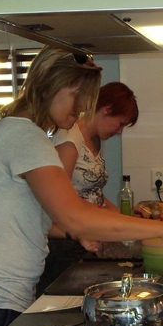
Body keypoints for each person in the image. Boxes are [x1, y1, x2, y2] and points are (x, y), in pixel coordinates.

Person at [0, 47, 163, 326]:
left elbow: (52, 212)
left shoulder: (22, 133)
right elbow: (74, 215)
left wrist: (78, 233)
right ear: (50, 85)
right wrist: (162, 229)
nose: (82, 107)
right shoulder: (25, 137)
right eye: (77, 96)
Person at [36, 81, 140, 295]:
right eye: (120, 124)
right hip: (66, 242)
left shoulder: (95, 139)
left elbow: (93, 194)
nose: (120, 132)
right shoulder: (69, 140)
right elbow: (54, 200)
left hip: (87, 235)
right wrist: (79, 233)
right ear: (106, 110)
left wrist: (125, 218)